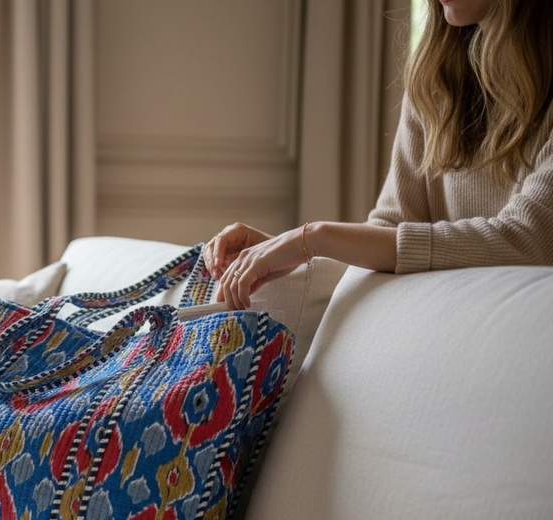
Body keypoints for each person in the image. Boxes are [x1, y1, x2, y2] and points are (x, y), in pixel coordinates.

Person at [204, 0, 553, 310]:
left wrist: (316, 238)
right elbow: (392, 235)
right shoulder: (435, 84)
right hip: (452, 331)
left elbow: (528, 240)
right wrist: (287, 254)